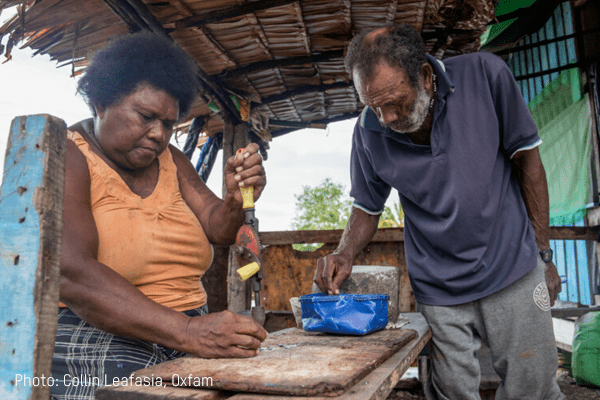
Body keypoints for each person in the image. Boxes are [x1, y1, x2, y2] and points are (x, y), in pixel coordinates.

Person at [314, 24, 565, 399]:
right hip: (439, 288)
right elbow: (366, 207)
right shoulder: (369, 131)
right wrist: (344, 252)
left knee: (534, 388)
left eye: (395, 102)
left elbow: (529, 164)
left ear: (427, 77)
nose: (386, 118)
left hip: (512, 266)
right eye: (374, 106)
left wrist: (543, 255)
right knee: (451, 393)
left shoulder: (486, 76)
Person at [51, 32, 268, 400]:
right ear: (101, 102)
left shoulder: (172, 160)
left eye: (168, 124)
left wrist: (234, 199)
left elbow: (218, 226)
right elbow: (73, 274)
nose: (158, 134)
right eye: (146, 116)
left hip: (188, 326)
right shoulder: (68, 156)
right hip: (98, 330)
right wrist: (186, 333)